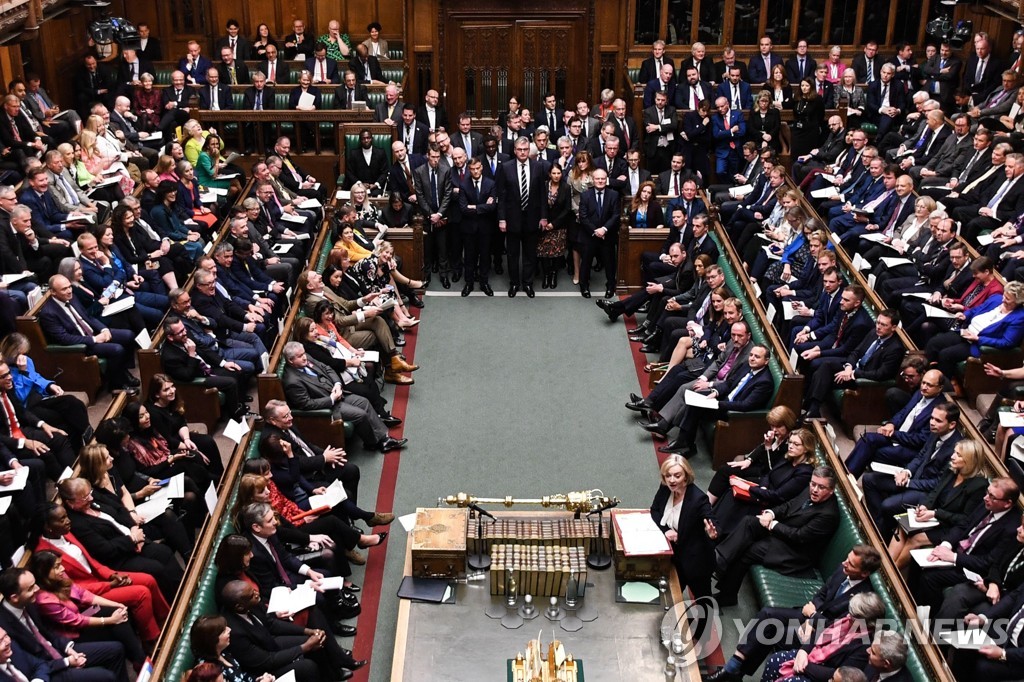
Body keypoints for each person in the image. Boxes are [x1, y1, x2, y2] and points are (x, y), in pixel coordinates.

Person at [708, 546, 883, 682]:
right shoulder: (842, 570)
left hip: (821, 632)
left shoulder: (862, 599)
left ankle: (734, 670)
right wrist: (811, 612)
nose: (844, 563)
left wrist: (813, 621)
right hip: (810, 614)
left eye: (851, 564)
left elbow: (838, 627)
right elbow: (822, 594)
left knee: (771, 631)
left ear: (864, 573)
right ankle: (735, 666)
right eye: (847, 558)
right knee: (767, 615)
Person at [710, 467, 840, 607]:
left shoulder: (828, 514)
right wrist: (771, 513)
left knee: (749, 550)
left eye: (821, 487)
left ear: (831, 490)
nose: (814, 489)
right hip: (784, 533)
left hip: (795, 552)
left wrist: (773, 525)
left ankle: (727, 595)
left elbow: (799, 537)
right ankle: (719, 561)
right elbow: (789, 506)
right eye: (813, 484)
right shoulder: (810, 491)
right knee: (749, 522)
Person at [0, 566, 128, 682]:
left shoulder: (30, 602)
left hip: (60, 650)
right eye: (31, 588)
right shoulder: (4, 626)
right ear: (14, 597)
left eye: (35, 584)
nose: (37, 589)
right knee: (105, 676)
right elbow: (30, 662)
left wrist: (68, 648)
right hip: (47, 668)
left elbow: (47, 632)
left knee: (116, 649)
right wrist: (66, 662)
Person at [861, 402, 964, 539]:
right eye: (931, 418)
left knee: (887, 505)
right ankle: (878, 527)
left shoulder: (957, 449)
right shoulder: (935, 432)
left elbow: (938, 484)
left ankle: (880, 536)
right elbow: (921, 456)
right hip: (913, 478)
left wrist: (909, 483)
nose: (932, 423)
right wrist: (906, 472)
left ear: (952, 424)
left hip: (927, 493)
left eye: (938, 420)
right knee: (869, 480)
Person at [27, 552, 145, 670]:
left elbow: (84, 595)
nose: (62, 568)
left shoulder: (61, 577)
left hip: (82, 613)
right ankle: (139, 661)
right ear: (44, 572)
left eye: (60, 564)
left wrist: (117, 604)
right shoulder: (44, 600)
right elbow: (76, 621)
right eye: (57, 567)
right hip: (73, 633)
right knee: (117, 624)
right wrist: (110, 620)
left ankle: (138, 660)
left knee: (117, 612)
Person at [280, 341, 405, 454]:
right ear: (291, 360)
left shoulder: (307, 358)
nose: (304, 357)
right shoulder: (292, 381)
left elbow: (327, 368)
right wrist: (332, 399)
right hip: (329, 407)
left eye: (304, 354)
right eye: (300, 356)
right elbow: (306, 404)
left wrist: (337, 384)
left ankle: (384, 439)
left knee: (363, 402)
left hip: (338, 393)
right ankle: (373, 443)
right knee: (360, 414)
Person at [887, 439, 989, 570]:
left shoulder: (978, 486)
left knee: (916, 538)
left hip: (951, 526)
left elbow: (965, 519)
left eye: (958, 455)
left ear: (969, 460)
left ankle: (892, 573)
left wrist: (935, 513)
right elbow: (935, 492)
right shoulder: (951, 469)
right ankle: (885, 567)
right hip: (935, 517)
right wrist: (925, 506)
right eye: (954, 452)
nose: (952, 456)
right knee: (902, 525)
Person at [712, 428, 816, 540]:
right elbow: (768, 474)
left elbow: (778, 496)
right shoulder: (788, 458)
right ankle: (713, 527)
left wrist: (748, 487)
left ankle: (718, 533)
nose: (790, 446)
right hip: (763, 492)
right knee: (730, 492)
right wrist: (763, 487)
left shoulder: (805, 473)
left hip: (771, 504)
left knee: (735, 501)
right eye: (790, 442)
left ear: (806, 448)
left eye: (796, 444)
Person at [759, 592, 886, 682]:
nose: (848, 616)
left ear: (866, 621)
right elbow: (822, 631)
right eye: (850, 612)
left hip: (822, 673)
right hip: (810, 655)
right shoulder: (849, 617)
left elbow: (841, 674)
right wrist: (803, 651)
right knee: (774, 661)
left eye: (853, 616)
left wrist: (805, 667)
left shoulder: (864, 647)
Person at [650, 455, 715, 599]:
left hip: (696, 560)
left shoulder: (698, 499)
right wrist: (666, 530)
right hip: (675, 555)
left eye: (677, 476)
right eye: (668, 476)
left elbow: (710, 518)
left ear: (686, 477)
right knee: (672, 592)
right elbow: (654, 510)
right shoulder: (665, 488)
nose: (672, 480)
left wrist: (712, 532)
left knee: (703, 598)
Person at [497, 137, 549, 298]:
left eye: (525, 150)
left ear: (529, 150)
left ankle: (527, 283)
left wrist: (543, 217)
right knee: (512, 255)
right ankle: (514, 284)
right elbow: (501, 196)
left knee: (530, 254)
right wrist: (502, 218)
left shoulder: (538, 167)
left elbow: (542, 194)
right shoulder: (505, 168)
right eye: (519, 149)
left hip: (532, 218)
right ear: (514, 150)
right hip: (512, 218)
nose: (522, 152)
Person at [190, 615, 275, 682]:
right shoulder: (210, 671)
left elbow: (241, 675)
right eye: (223, 631)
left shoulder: (223, 651)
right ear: (213, 640)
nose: (229, 630)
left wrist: (259, 679)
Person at [577, 168, 620, 299]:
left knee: (609, 262)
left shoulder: (614, 194)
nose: (600, 181)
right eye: (597, 178)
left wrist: (604, 229)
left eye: (603, 178)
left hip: (607, 235)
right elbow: (583, 217)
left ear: (606, 179)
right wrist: (595, 231)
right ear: (593, 180)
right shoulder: (585, 195)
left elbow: (616, 215)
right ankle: (584, 285)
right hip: (589, 235)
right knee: (586, 262)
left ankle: (610, 285)